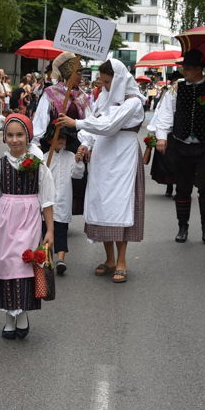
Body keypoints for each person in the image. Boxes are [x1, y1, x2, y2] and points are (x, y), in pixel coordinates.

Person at [59, 58, 145, 281]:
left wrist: (76, 123)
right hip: (102, 155)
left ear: (119, 80)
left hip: (123, 156)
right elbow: (95, 121)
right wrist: (86, 144)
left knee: (120, 205)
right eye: (103, 81)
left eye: (108, 82)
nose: (105, 86)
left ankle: (122, 261)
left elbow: (109, 125)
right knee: (102, 203)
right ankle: (109, 259)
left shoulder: (134, 102)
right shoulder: (104, 98)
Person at [0, 114, 54, 340]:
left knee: (23, 264)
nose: (14, 140)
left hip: (29, 220)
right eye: (10, 135)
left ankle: (21, 315)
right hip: (6, 223)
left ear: (28, 137)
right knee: (6, 265)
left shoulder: (39, 167)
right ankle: (9, 317)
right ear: (4, 138)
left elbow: (47, 201)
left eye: (19, 135)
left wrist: (50, 230)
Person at [152, 49, 205, 244]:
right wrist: (162, 137)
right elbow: (166, 113)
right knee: (182, 187)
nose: (183, 71)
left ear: (198, 70)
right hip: (181, 144)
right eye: (184, 68)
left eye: (187, 68)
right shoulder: (176, 88)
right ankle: (182, 226)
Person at [44, 128, 85, 275]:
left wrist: (78, 162)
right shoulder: (43, 158)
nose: (61, 140)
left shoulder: (70, 156)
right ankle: (47, 259)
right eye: (58, 137)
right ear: (50, 140)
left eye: (64, 138)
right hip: (47, 202)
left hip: (63, 201)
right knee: (46, 231)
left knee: (61, 231)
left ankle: (61, 260)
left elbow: (78, 175)